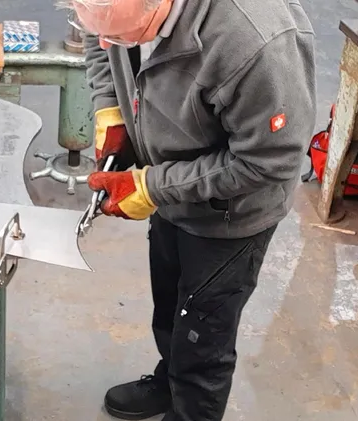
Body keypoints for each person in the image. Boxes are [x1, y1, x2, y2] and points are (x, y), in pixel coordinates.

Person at [72, 0, 316, 420]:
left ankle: (191, 407)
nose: (108, 44)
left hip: (232, 214)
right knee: (171, 306)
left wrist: (152, 186)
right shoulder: (117, 13)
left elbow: (270, 160)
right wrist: (111, 103)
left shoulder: (257, 44)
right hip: (170, 186)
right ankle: (170, 382)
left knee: (203, 336)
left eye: (123, 37)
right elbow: (102, 43)